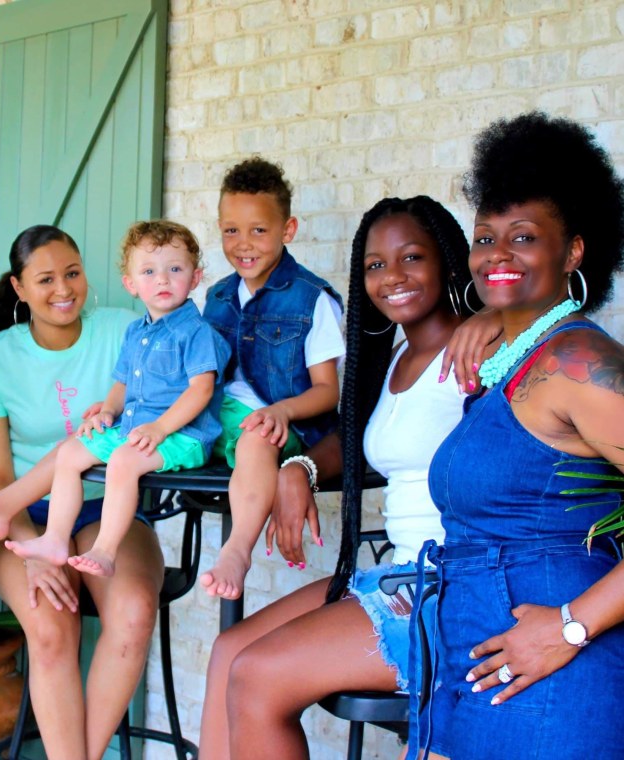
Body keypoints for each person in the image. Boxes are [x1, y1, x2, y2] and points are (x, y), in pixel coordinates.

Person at [198, 195, 473, 760]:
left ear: (447, 261)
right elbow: (354, 445)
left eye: (411, 258)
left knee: (257, 675)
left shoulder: (478, 348)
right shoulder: (397, 356)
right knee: (230, 651)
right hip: (397, 567)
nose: (391, 277)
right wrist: (299, 465)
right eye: (375, 266)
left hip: (448, 583)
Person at [418, 112, 624, 760]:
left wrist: (571, 626)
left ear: (574, 251)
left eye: (524, 237)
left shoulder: (582, 365)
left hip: (554, 675)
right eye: (485, 238)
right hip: (469, 653)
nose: (497, 254)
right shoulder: (510, 363)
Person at [0, 224, 165, 760]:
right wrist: (33, 553)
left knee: (131, 613)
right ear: (19, 287)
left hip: (109, 510)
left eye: (73, 273)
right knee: (52, 627)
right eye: (46, 278)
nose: (64, 289)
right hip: (21, 520)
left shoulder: (127, 332)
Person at [0, 220, 230, 578]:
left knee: (124, 460)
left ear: (195, 276)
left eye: (175, 269)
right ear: (132, 284)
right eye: (149, 271)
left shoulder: (195, 332)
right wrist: (108, 410)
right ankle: (55, 538)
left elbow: (201, 390)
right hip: (140, 431)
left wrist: (159, 427)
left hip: (182, 435)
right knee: (71, 451)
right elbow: (123, 382)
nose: (163, 280)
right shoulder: (137, 331)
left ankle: (105, 550)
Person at [200, 156, 345, 599]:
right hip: (219, 414)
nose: (244, 243)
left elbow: (327, 392)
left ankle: (238, 550)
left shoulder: (311, 299)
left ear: (288, 230)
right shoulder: (217, 296)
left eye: (259, 230)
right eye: (231, 230)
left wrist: (280, 410)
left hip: (283, 422)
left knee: (257, 437)